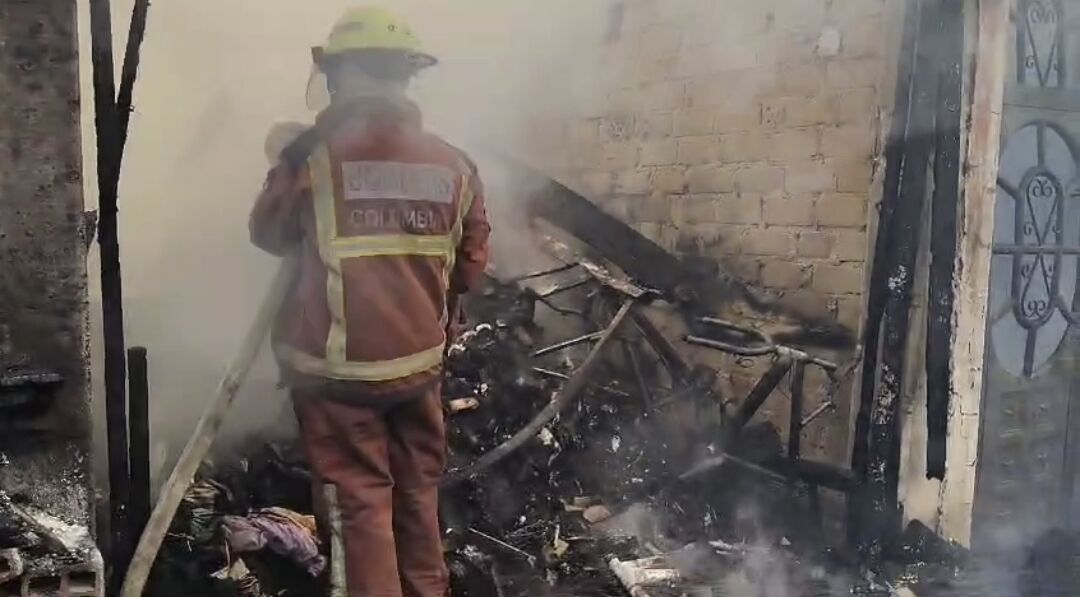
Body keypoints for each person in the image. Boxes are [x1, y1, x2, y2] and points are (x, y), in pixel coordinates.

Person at [248, 7, 491, 596]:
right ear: (405, 78)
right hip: (419, 370)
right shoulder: (456, 164)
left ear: (340, 77)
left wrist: (286, 157)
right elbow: (472, 268)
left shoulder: (313, 158)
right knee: (415, 496)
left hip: (340, 379)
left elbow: (269, 233)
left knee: (359, 513)